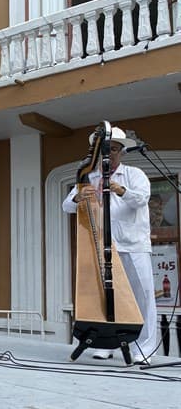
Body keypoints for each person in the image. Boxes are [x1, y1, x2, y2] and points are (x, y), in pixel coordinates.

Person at [62, 126, 157, 365]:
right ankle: (108, 345)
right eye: (105, 149)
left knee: (142, 297)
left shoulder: (134, 175)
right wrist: (77, 198)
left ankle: (143, 349)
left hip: (133, 245)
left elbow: (141, 199)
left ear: (122, 152)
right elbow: (66, 206)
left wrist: (120, 189)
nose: (110, 154)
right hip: (102, 246)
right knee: (107, 298)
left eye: (114, 149)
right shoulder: (90, 177)